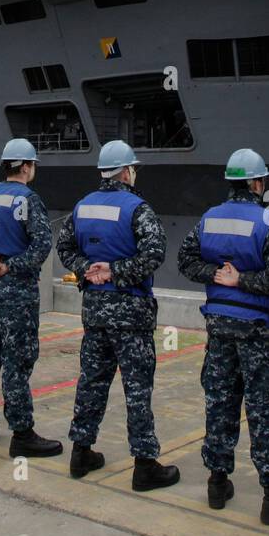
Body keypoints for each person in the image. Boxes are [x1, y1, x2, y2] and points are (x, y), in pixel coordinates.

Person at [178, 149, 269, 524]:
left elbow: (185, 262)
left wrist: (217, 274)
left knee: (220, 401)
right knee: (264, 408)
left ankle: (218, 483)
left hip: (219, 326)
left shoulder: (209, 218)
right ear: (258, 183)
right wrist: (244, 279)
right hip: (260, 330)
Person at [56, 140, 179, 491]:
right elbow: (154, 253)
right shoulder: (138, 208)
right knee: (137, 388)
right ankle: (144, 465)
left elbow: (63, 246)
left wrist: (87, 269)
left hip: (94, 311)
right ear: (126, 172)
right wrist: (116, 271)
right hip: (131, 313)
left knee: (92, 381)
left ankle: (81, 451)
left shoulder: (82, 207)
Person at [0, 138, 62, 457]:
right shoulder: (29, 199)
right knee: (17, 361)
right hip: (17, 292)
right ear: (26, 166)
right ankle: (21, 433)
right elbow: (41, 246)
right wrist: (10, 265)